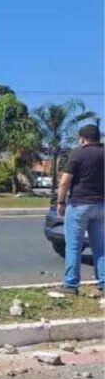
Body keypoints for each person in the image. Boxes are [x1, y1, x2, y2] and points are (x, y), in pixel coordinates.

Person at [56, 124, 104, 295]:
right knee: (100, 248)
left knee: (73, 246)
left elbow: (64, 181)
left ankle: (71, 284)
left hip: (79, 204)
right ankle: (103, 283)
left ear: (82, 139)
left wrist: (60, 202)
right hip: (101, 206)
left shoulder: (78, 153)